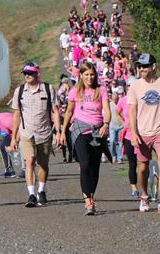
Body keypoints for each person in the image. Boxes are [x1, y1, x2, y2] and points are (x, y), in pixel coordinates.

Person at [127, 54, 160, 213]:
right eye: (140, 66)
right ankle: (144, 196)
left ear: (153, 67)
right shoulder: (135, 86)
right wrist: (134, 132)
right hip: (142, 132)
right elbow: (132, 111)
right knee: (143, 167)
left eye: (145, 66)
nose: (142, 69)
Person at [61, 62, 111, 216]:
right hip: (80, 130)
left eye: (92, 74)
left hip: (97, 131)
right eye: (86, 74)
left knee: (95, 167)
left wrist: (106, 124)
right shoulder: (75, 91)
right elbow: (69, 112)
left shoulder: (101, 90)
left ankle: (91, 196)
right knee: (85, 164)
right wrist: (62, 132)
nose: (89, 77)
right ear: (81, 75)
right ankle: (87, 201)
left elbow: (107, 111)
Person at [9, 62, 61, 207]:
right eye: (25, 73)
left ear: (37, 74)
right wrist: (13, 138)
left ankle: (41, 190)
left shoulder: (48, 89)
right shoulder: (19, 91)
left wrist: (58, 131)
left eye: (30, 73)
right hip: (26, 133)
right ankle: (31, 194)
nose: (27, 75)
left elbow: (55, 112)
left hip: (44, 133)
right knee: (30, 160)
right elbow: (16, 114)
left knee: (43, 164)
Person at [116, 76, 140, 198]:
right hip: (129, 136)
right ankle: (134, 188)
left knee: (143, 163)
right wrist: (124, 123)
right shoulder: (123, 100)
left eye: (134, 85)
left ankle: (145, 187)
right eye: (130, 86)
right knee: (132, 163)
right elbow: (117, 112)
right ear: (127, 87)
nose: (132, 88)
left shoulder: (142, 99)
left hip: (141, 135)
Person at [0, 112, 18, 178]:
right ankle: (9, 171)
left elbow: (19, 130)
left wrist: (13, 143)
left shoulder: (6, 121)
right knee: (2, 146)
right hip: (10, 135)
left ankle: (24, 169)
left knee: (17, 148)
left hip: (20, 132)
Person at [108, 93, 123, 163]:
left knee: (121, 143)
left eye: (116, 100)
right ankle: (114, 155)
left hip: (121, 126)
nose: (115, 101)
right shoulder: (109, 104)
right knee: (112, 141)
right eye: (114, 100)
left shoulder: (121, 103)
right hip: (112, 125)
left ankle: (119, 158)